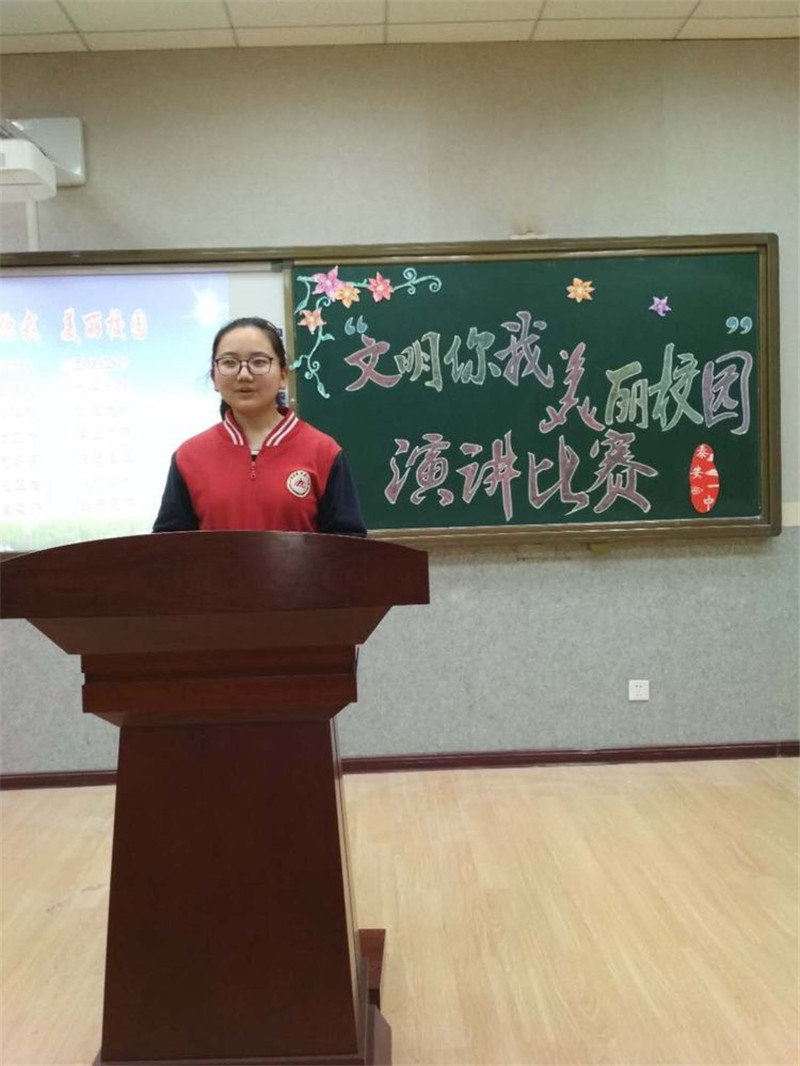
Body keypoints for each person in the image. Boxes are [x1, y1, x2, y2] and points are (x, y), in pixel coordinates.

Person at [153, 316, 366, 536]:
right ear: (214, 377)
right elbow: (167, 547)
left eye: (259, 362)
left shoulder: (323, 452)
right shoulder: (189, 456)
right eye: (229, 363)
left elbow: (348, 545)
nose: (244, 375)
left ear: (283, 375)